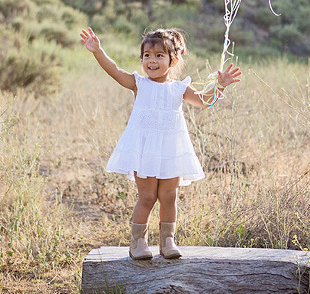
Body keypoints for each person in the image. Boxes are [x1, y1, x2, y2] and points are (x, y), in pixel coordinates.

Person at [80, 27, 241, 260]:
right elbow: (115, 71)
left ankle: (167, 241)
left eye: (159, 55)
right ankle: (138, 242)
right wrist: (98, 51)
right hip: (144, 150)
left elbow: (204, 101)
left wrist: (221, 85)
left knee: (169, 196)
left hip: (170, 150)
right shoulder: (139, 84)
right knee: (147, 197)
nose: (151, 61)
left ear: (173, 60)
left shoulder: (179, 88)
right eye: (147, 55)